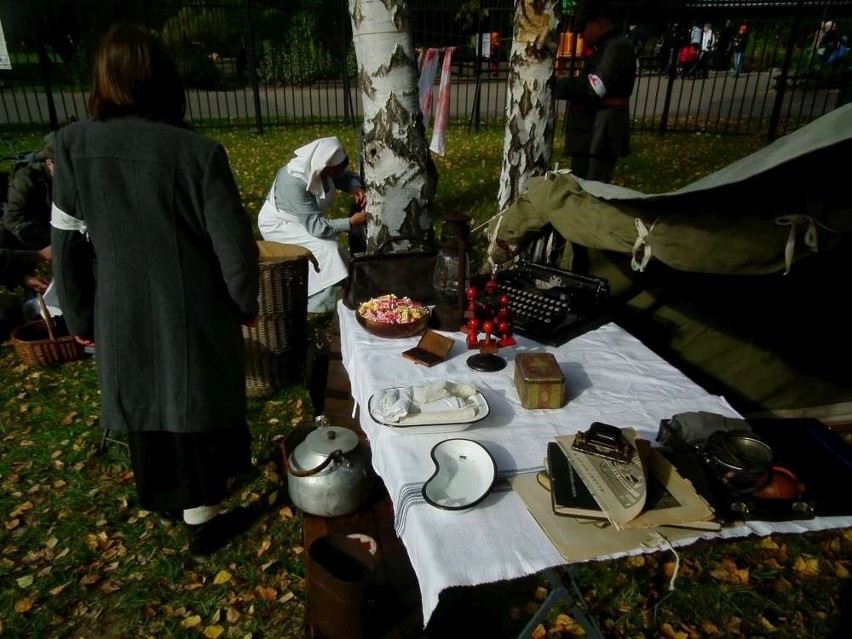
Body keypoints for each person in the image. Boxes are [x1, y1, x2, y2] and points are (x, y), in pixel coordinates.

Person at [50, 23, 260, 555]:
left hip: (119, 310)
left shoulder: (72, 145)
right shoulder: (198, 154)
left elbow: (66, 242)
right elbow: (235, 249)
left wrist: (79, 319)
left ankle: (170, 501)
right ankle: (203, 519)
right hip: (192, 310)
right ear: (164, 80)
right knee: (189, 401)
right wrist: (242, 303)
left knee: (148, 398)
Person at [257, 136, 367, 313]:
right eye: (332, 171)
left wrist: (355, 187)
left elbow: (344, 176)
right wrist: (351, 222)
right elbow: (318, 228)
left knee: (331, 248)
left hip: (305, 220)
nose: (334, 175)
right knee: (327, 249)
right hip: (280, 224)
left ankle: (341, 289)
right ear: (323, 165)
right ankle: (320, 303)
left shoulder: (321, 168)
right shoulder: (294, 182)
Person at [553, 0, 636, 183]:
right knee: (581, 185)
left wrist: (558, 86)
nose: (581, 35)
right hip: (590, 133)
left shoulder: (616, 47)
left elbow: (594, 88)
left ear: (598, 22)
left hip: (601, 134)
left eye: (584, 28)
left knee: (593, 189)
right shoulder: (605, 47)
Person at [3, 135, 54, 250]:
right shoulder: (28, 177)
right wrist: (48, 244)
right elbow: (14, 217)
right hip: (36, 233)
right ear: (48, 162)